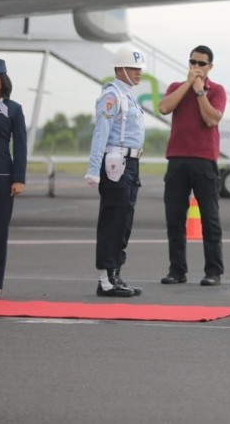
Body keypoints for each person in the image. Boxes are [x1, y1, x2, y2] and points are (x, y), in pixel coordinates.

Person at [158, 45, 227, 286]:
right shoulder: (176, 88)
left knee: (210, 218)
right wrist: (188, 85)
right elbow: (164, 107)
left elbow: (211, 119)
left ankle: (213, 271)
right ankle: (177, 270)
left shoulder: (216, 90)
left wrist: (200, 92)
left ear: (210, 67)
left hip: (204, 161)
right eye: (193, 62)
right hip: (177, 159)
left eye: (201, 64)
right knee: (174, 218)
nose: (196, 67)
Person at [85, 48, 146, 297]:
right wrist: (93, 169)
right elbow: (101, 132)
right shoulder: (112, 96)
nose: (138, 73)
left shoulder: (129, 96)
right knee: (112, 221)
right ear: (120, 69)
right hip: (115, 163)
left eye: (139, 69)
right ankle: (106, 280)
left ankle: (116, 274)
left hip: (130, 163)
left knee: (124, 222)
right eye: (133, 69)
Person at [0, 58, 26, 301]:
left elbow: (20, 146)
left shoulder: (13, 109)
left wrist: (19, 178)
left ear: (2, 80)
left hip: (1, 177)